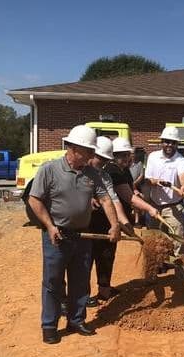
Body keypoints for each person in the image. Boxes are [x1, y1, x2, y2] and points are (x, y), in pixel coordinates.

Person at [28, 125, 120, 344]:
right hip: (57, 236)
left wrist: (114, 225)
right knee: (53, 282)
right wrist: (50, 226)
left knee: (80, 281)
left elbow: (106, 200)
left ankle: (76, 320)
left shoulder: (92, 174)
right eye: (89, 151)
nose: (91, 155)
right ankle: (49, 325)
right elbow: (34, 200)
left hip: (83, 236)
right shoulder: (49, 170)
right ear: (73, 148)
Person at [86, 137, 133, 307]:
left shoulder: (105, 176)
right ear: (91, 154)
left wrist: (124, 224)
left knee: (106, 256)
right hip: (85, 225)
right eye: (101, 159)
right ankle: (83, 297)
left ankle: (104, 290)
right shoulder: (80, 171)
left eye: (106, 160)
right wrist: (87, 199)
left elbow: (114, 201)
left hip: (105, 222)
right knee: (86, 260)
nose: (103, 163)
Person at [145, 126, 184, 255]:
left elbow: (183, 175)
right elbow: (148, 179)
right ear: (162, 142)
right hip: (154, 207)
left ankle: (180, 275)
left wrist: (183, 186)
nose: (170, 145)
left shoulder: (181, 160)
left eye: (173, 142)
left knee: (178, 243)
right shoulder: (153, 157)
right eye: (167, 141)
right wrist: (155, 181)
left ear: (177, 144)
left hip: (173, 208)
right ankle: (154, 272)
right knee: (154, 242)